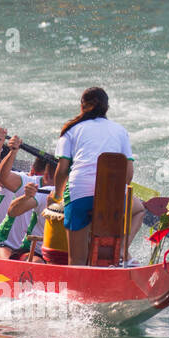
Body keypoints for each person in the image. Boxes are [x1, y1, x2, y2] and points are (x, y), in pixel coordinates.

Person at [50, 87, 145, 266]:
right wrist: (117, 196)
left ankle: (78, 288)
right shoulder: (120, 131)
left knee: (76, 259)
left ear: (82, 106)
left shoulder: (70, 130)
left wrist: (57, 195)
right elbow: (128, 172)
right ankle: (123, 249)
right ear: (107, 108)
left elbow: (62, 170)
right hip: (112, 198)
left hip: (79, 194)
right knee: (139, 209)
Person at [0, 135, 55, 260]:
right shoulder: (29, 182)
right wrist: (13, 151)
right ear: (47, 176)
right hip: (3, 243)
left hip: (28, 247)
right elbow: (0, 176)